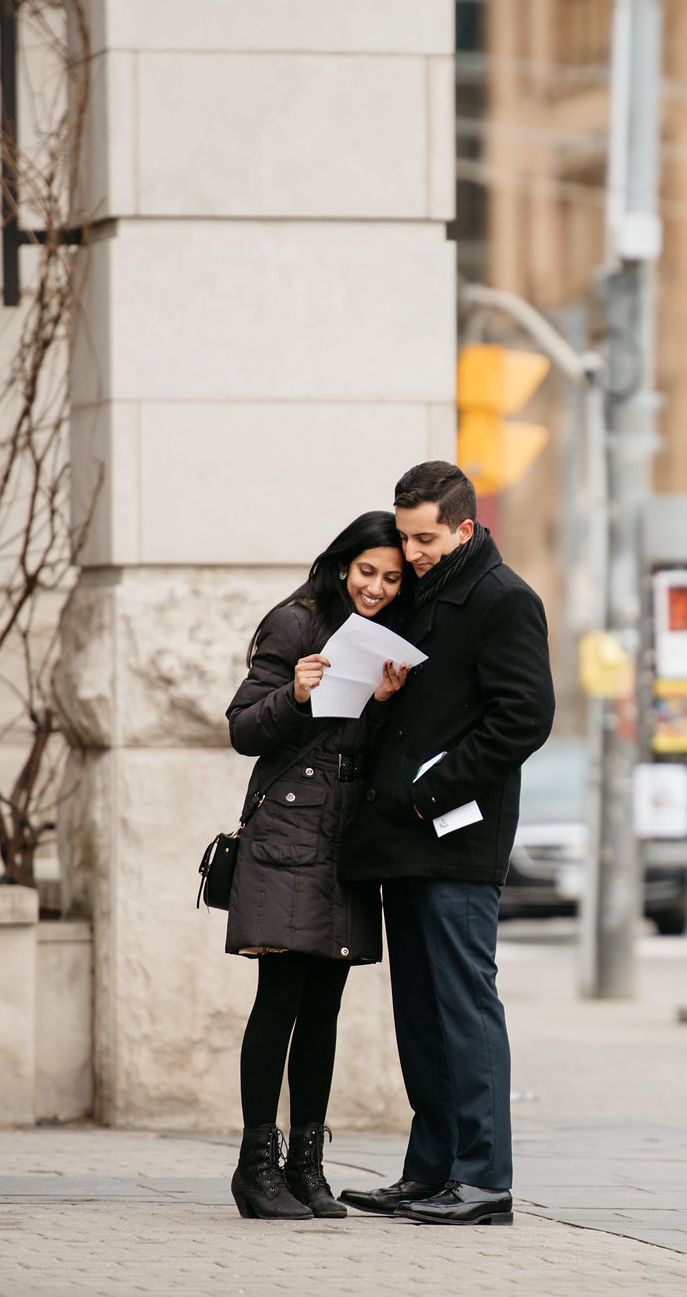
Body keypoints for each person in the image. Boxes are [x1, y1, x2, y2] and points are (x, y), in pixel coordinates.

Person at [336, 461, 555, 1228]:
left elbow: (524, 718)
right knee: (421, 1014)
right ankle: (430, 1170)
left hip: (457, 840)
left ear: (465, 527)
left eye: (424, 536)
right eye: (404, 536)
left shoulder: (504, 599)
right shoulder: (424, 590)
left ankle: (483, 1177)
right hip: (406, 838)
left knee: (463, 1009)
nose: (413, 550)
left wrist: (432, 790)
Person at [223, 512, 413, 1221]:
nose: (377, 587)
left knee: (325, 1006)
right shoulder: (296, 624)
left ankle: (308, 1165)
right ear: (341, 566)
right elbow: (243, 726)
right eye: (367, 571)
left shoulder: (394, 635)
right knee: (281, 995)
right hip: (288, 832)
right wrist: (294, 694)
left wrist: (386, 703)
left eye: (391, 577)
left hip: (347, 838)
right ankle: (255, 1166)